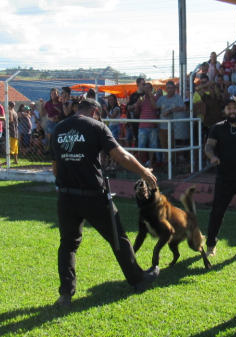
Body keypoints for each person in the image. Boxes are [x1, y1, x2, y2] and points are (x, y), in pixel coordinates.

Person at [51, 98, 161, 306]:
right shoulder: (96, 126)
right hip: (93, 196)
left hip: (66, 196)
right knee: (118, 238)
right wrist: (144, 172)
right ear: (94, 111)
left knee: (68, 244)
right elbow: (120, 155)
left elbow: (55, 166)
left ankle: (65, 294)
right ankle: (138, 280)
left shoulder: (59, 128)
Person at [204, 97, 236, 258]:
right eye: (229, 108)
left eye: (235, 108)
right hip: (224, 178)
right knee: (217, 212)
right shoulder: (218, 128)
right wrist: (212, 156)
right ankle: (211, 245)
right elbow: (208, 146)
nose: (232, 111)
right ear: (225, 111)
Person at [6, 100, 19, 166]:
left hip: (11, 131)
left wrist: (5, 122)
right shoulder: (15, 112)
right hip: (16, 131)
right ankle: (15, 160)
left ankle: (7, 160)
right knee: (15, 147)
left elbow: (10, 120)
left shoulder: (10, 112)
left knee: (11, 147)